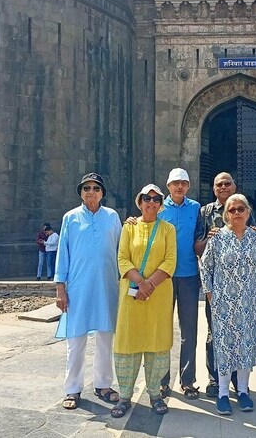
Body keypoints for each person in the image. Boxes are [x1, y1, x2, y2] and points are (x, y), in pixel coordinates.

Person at [55, 173, 122, 410]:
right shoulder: (71, 218)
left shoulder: (112, 217)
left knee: (105, 337)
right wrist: (60, 288)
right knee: (76, 339)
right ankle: (72, 389)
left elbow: (121, 250)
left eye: (95, 188)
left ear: (102, 193)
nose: (91, 192)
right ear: (81, 193)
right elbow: (63, 253)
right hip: (78, 288)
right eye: (86, 188)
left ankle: (103, 385)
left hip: (107, 286)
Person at [112, 184, 177, 418]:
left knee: (156, 341)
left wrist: (149, 285)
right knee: (128, 341)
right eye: (147, 199)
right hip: (132, 293)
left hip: (158, 294)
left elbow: (170, 260)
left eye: (156, 199)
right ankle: (124, 396)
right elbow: (122, 258)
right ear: (139, 202)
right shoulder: (129, 227)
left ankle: (155, 394)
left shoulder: (168, 229)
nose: (151, 203)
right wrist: (141, 283)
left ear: (161, 204)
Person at [201, 194, 256, 415]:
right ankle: (222, 393)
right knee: (225, 347)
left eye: (241, 209)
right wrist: (209, 293)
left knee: (246, 345)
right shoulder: (217, 238)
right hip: (223, 303)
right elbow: (205, 266)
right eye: (232, 210)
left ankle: (244, 391)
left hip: (249, 303)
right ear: (226, 214)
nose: (236, 213)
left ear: (248, 212)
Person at [194, 171, 255, 397]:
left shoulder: (244, 207)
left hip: (242, 290)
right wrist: (210, 239)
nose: (223, 187)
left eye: (227, 183)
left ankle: (239, 381)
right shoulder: (205, 212)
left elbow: (254, 239)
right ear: (213, 188)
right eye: (219, 184)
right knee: (215, 333)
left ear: (234, 186)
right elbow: (197, 247)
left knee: (241, 333)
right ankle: (215, 378)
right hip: (219, 289)